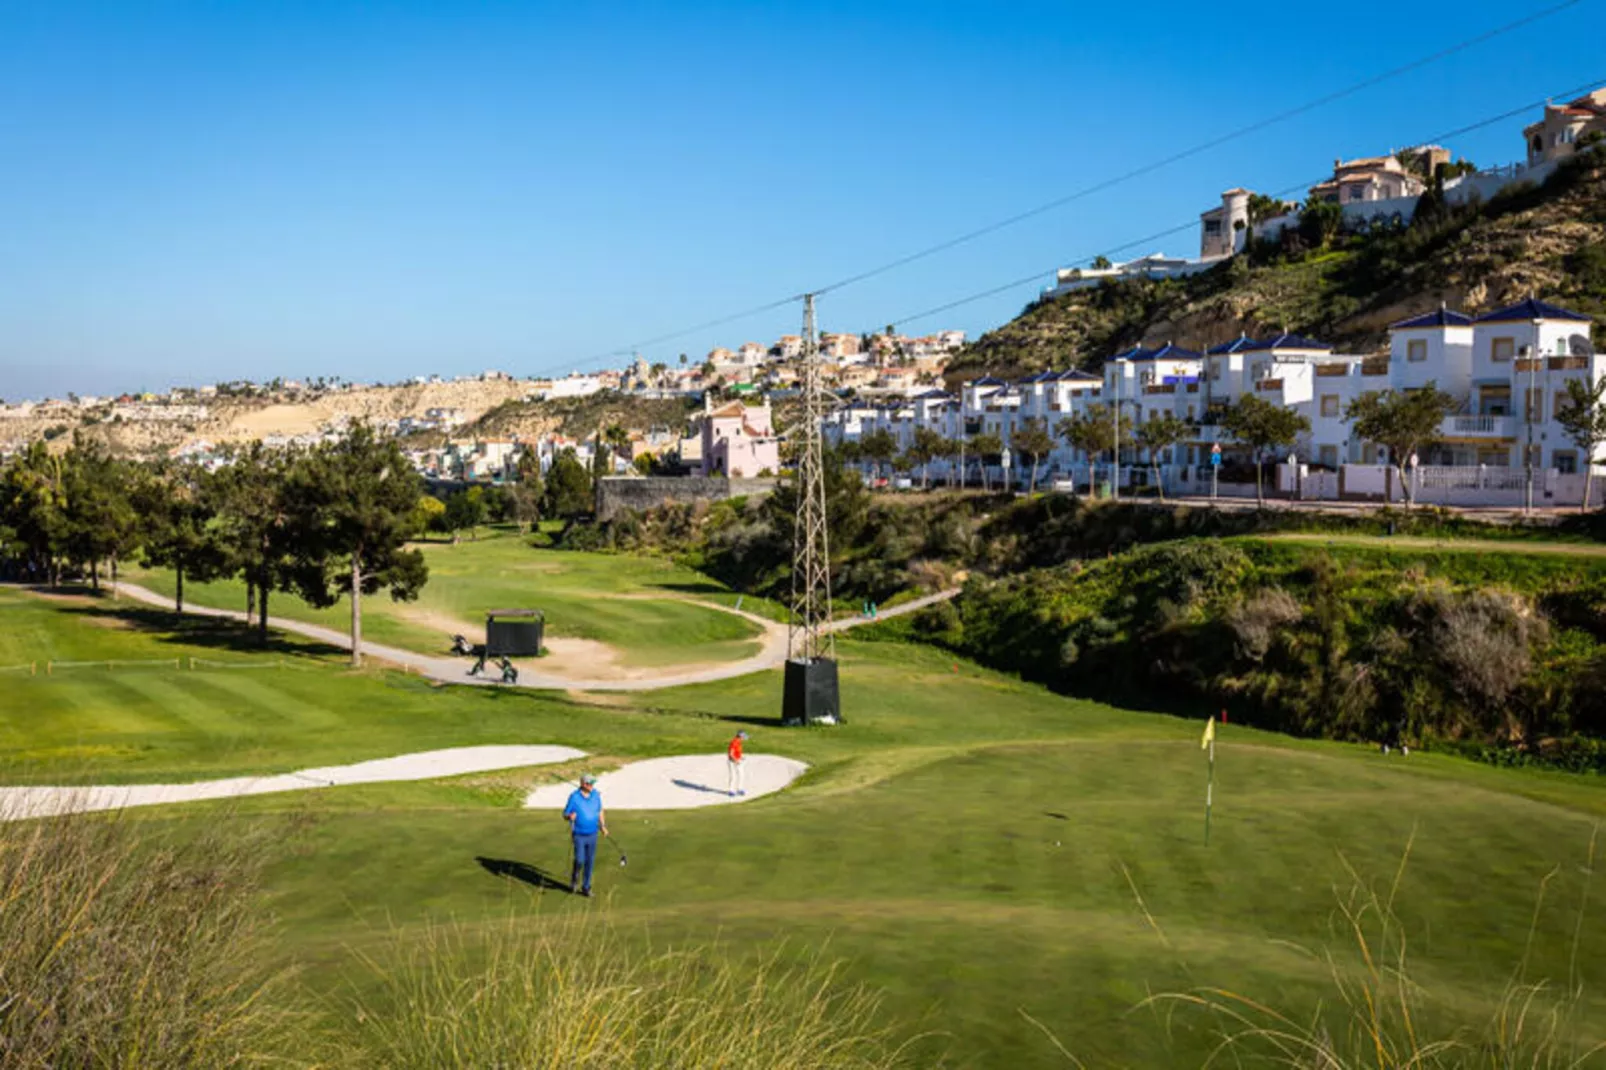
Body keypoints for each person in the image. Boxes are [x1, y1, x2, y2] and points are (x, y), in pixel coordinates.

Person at [562, 773, 607, 897]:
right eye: (589, 783)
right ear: (583, 784)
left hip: (593, 834)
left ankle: (586, 887)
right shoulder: (574, 797)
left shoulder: (596, 795)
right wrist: (570, 816)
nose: (591, 785)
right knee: (580, 860)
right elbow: (565, 814)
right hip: (579, 834)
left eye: (592, 783)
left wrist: (603, 826)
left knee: (590, 862)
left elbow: (600, 810)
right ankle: (574, 880)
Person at [727, 730, 748, 797]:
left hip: (738, 761)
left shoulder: (739, 742)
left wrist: (741, 757)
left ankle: (739, 789)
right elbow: (731, 754)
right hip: (732, 762)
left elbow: (737, 752)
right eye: (743, 737)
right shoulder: (734, 742)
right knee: (733, 776)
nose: (744, 738)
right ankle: (731, 791)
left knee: (741, 775)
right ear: (740, 736)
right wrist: (736, 760)